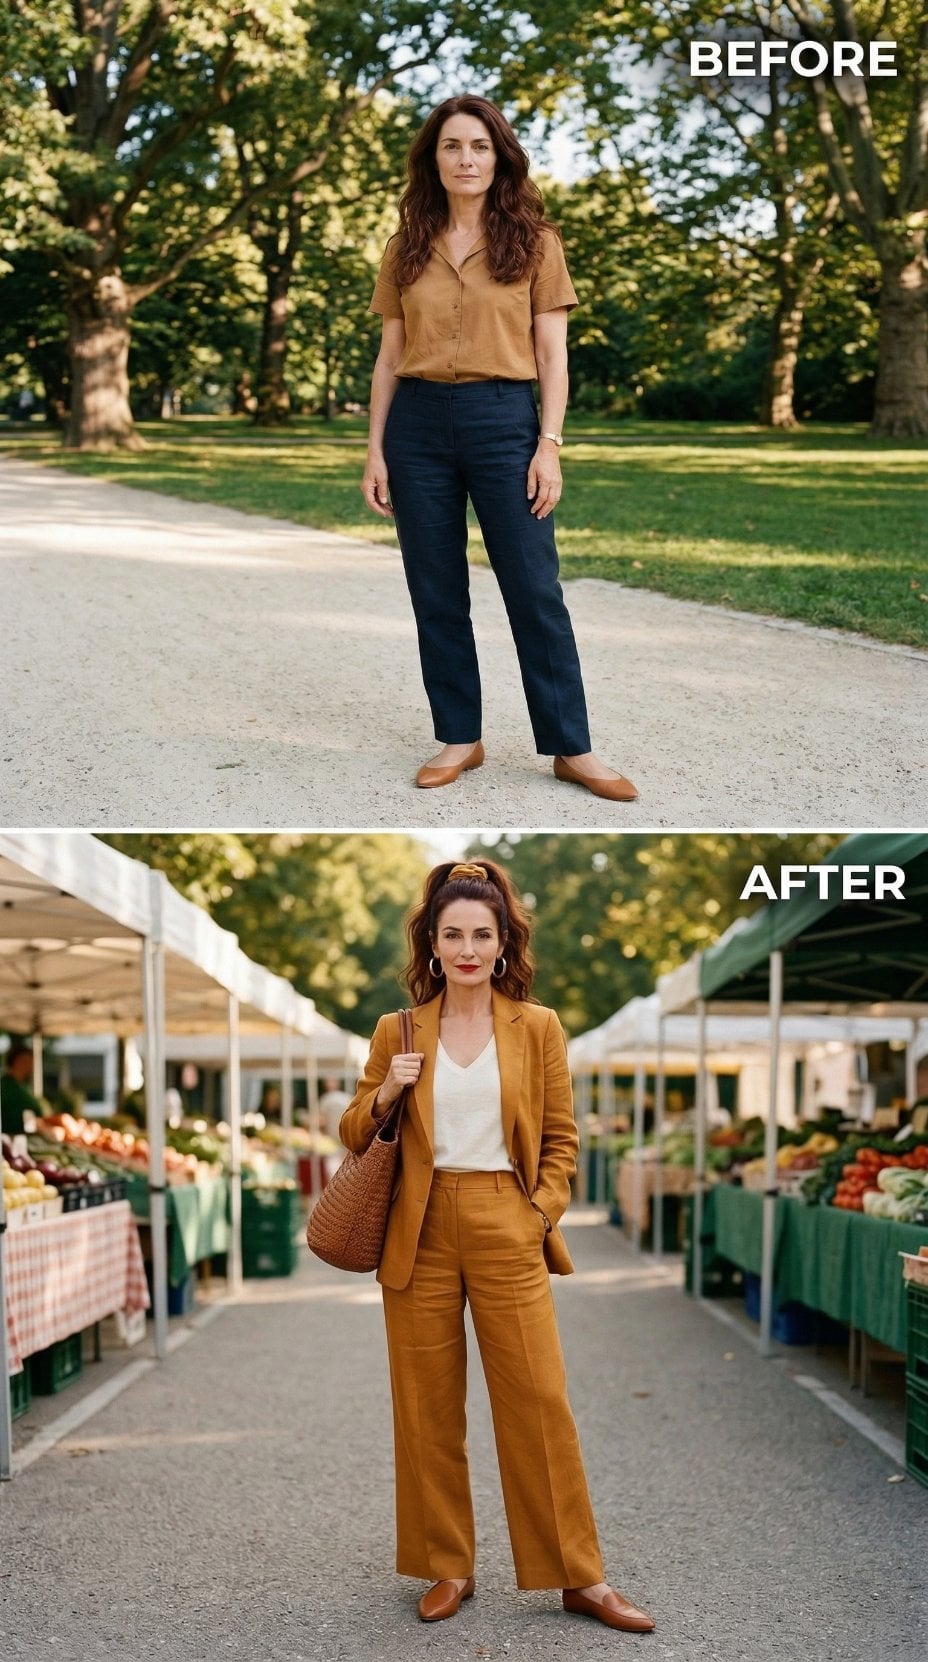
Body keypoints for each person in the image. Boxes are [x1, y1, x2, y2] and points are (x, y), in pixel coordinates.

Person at [339, 860, 654, 1632]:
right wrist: (388, 1091)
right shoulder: (397, 1031)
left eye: (482, 935)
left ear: (504, 942)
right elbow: (352, 1131)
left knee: (539, 1401)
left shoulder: (537, 1027)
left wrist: (538, 1214)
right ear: (432, 944)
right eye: (452, 935)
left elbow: (561, 1137)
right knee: (427, 1407)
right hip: (418, 1228)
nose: (468, 949)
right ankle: (447, 1565)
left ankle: (579, 1576)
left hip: (506, 1219)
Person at [360, 95, 638, 803]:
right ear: (432, 160)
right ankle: (460, 737)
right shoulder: (405, 247)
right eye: (452, 146)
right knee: (435, 589)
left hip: (504, 421)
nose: (466, 159)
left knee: (534, 588)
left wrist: (549, 444)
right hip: (417, 425)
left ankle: (572, 747)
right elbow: (389, 355)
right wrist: (376, 450)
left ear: (500, 157)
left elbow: (553, 354)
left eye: (480, 146)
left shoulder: (536, 243)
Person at [1, 1040, 42, 1135]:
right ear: (14, 1061)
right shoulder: (5, 1086)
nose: (29, 1065)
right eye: (24, 1061)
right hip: (12, 1137)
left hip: (28, 1135)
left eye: (30, 1061)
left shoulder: (24, 1086)